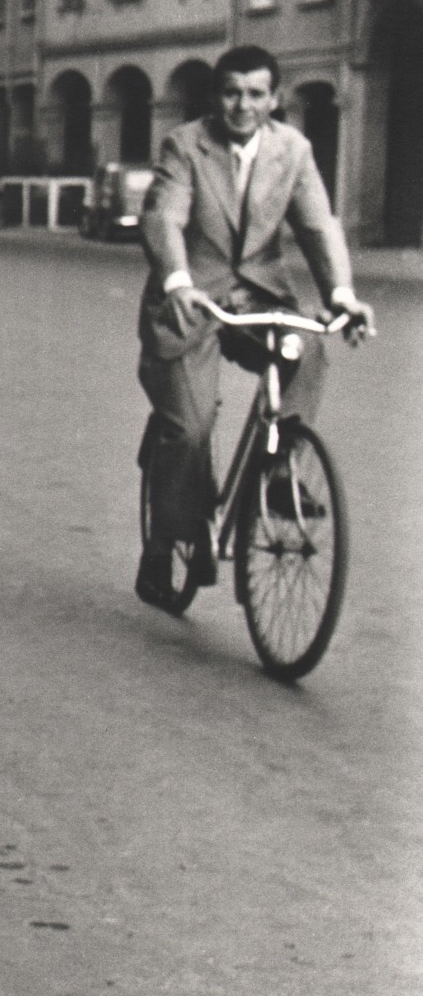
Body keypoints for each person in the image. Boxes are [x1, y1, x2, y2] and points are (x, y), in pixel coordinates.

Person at [134, 44, 373, 609]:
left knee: (308, 345)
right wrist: (177, 282)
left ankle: (279, 474)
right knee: (190, 432)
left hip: (257, 297)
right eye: (232, 93)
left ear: (274, 99)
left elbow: (318, 225)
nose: (243, 106)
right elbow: (164, 214)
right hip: (190, 303)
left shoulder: (293, 150)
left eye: (257, 94)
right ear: (217, 97)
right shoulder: (186, 144)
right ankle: (163, 544)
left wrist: (342, 294)